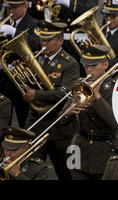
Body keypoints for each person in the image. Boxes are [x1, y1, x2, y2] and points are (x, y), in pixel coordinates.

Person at [24, 21, 80, 180]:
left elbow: (65, 93)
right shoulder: (36, 59)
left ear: (60, 41)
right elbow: (27, 86)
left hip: (61, 127)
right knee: (32, 170)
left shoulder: (70, 63)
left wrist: (37, 95)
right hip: (36, 124)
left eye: (48, 40)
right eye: (42, 39)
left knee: (68, 172)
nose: (44, 43)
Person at [62, 45, 118, 180]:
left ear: (105, 64)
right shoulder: (79, 84)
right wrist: (68, 113)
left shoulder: (115, 87)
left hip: (105, 150)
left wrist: (98, 98)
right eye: (86, 65)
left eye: (94, 65)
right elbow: (61, 120)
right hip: (78, 148)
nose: (89, 69)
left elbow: (115, 124)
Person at [0, 0, 40, 127]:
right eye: (8, 7)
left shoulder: (34, 23)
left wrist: (14, 32)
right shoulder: (3, 23)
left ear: (25, 6)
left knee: (23, 117)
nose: (11, 11)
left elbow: (37, 43)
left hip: (21, 79)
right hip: (3, 76)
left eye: (15, 7)